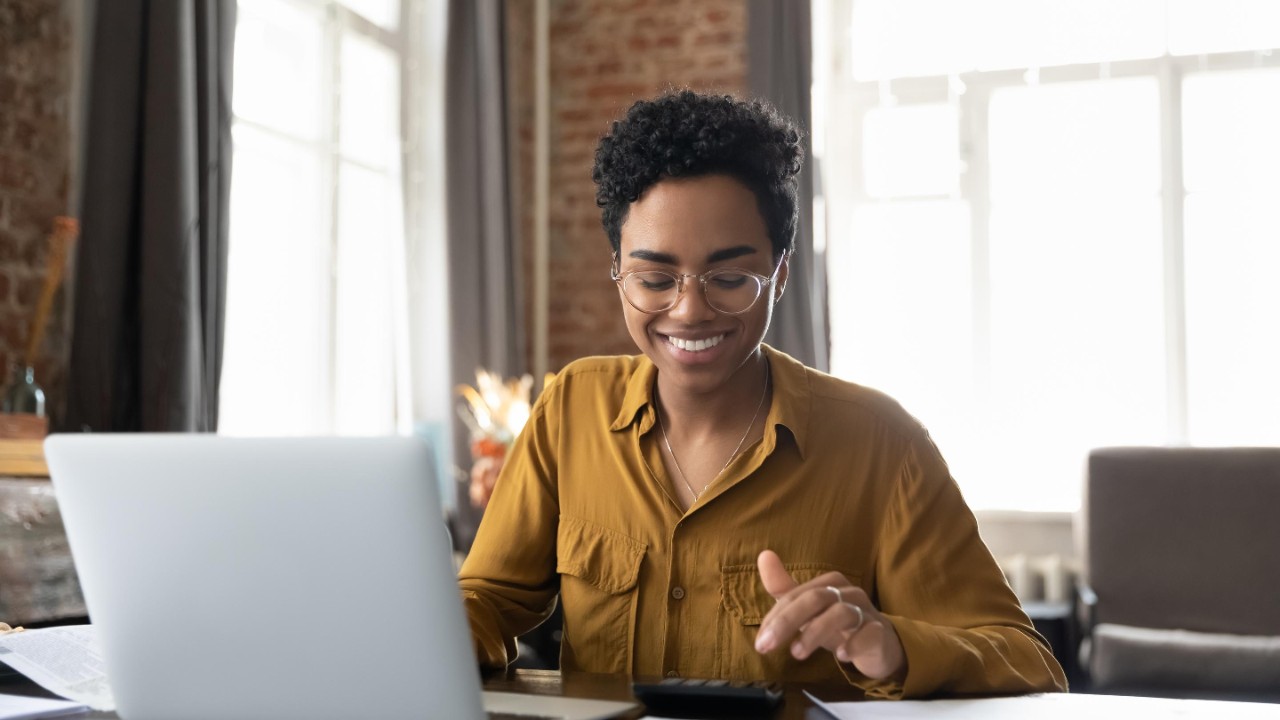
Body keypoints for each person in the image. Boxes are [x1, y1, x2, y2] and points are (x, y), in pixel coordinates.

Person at [458, 90, 1067, 699]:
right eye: (654, 279)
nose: (690, 310)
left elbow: (1028, 662)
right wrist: (440, 627)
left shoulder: (883, 445)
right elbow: (488, 598)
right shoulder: (571, 409)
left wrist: (892, 644)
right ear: (617, 270)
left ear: (780, 273)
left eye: (729, 278)